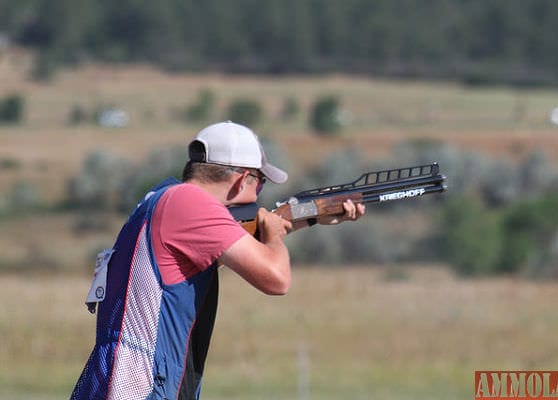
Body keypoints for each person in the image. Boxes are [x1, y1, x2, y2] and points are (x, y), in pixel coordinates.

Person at [70, 121, 365, 400]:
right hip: (142, 385)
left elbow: (234, 246)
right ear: (241, 180)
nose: (260, 191)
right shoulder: (191, 204)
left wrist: (310, 219)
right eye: (260, 182)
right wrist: (274, 236)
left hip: (129, 378)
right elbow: (277, 280)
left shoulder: (163, 197)